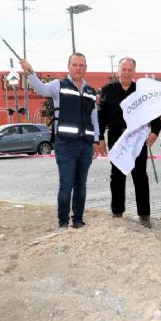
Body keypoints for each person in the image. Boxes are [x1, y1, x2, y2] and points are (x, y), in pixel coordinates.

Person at [20, 53, 100, 229]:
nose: (78, 68)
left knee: (81, 186)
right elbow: (41, 89)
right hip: (65, 145)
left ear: (85, 68)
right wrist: (30, 72)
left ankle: (78, 220)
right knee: (66, 185)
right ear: (69, 67)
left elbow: (94, 117)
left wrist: (95, 141)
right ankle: (63, 222)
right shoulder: (58, 85)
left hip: (85, 145)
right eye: (75, 65)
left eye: (81, 65)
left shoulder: (90, 92)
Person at [97, 57, 161, 227]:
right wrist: (100, 139)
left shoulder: (141, 92)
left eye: (129, 70)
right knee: (117, 176)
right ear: (118, 71)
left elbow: (154, 114)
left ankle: (144, 216)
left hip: (138, 138)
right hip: (116, 138)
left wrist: (155, 132)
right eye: (123, 69)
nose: (126, 72)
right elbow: (100, 116)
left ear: (134, 72)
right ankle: (117, 213)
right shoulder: (107, 90)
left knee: (140, 176)